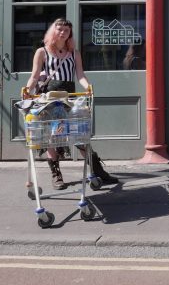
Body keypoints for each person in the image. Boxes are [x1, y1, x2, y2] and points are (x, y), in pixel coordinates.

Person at [26, 18, 119, 190]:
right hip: (49, 100)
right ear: (53, 31)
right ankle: (56, 175)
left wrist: (88, 87)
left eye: (66, 30)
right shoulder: (42, 52)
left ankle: (98, 171)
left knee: (79, 134)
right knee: (51, 137)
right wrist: (27, 90)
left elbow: (80, 75)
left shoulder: (74, 53)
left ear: (70, 34)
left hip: (69, 98)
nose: (63, 32)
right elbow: (35, 75)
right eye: (59, 29)